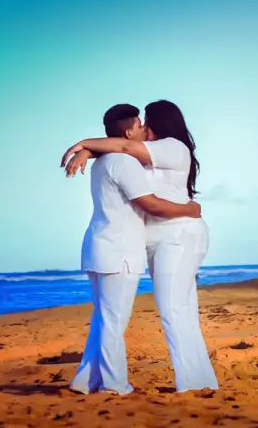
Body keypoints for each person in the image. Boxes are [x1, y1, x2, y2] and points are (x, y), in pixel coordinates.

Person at [61, 100, 219, 393]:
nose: (143, 127)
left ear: (160, 123)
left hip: (178, 235)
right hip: (152, 239)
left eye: (147, 121)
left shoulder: (173, 147)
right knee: (178, 309)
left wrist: (83, 144)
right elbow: (119, 149)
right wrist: (87, 150)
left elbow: (122, 148)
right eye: (139, 123)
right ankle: (199, 379)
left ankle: (192, 383)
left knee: (173, 309)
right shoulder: (133, 157)